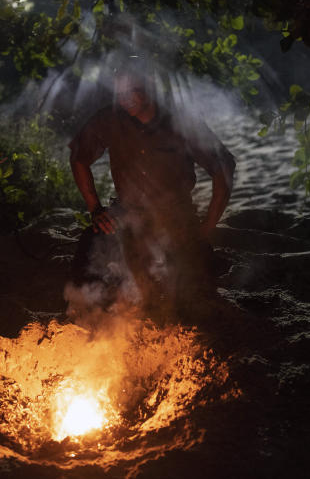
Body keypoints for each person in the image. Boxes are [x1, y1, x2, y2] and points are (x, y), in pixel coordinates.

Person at [67, 67, 235, 320]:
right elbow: (79, 158)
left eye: (131, 90)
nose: (124, 98)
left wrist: (207, 226)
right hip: (128, 213)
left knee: (191, 287)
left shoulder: (179, 122)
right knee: (90, 245)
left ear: (150, 88)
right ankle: (83, 317)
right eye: (119, 92)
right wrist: (95, 208)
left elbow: (223, 167)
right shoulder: (110, 119)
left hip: (176, 216)